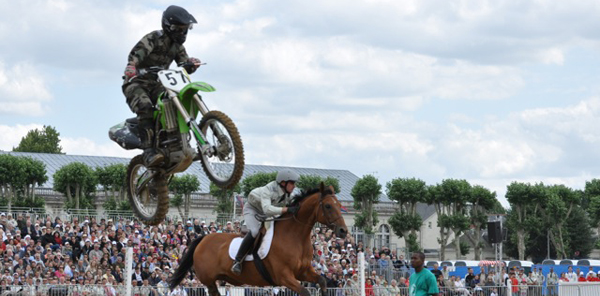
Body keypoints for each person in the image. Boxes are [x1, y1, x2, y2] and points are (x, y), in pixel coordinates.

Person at [122, 5, 201, 166]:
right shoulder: (154, 38)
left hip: (158, 83)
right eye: (179, 29)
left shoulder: (177, 46)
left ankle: (178, 143)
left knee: (174, 102)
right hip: (136, 82)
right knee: (145, 106)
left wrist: (191, 64)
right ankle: (148, 151)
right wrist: (132, 66)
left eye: (185, 29)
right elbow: (136, 54)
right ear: (168, 26)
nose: (182, 33)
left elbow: (184, 64)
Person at [230, 170, 301, 274]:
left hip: (266, 211)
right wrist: (286, 209)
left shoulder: (287, 192)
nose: (294, 186)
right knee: (254, 231)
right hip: (253, 209)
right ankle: (237, 261)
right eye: (292, 183)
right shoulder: (268, 189)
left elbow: (293, 203)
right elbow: (267, 209)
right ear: (283, 183)